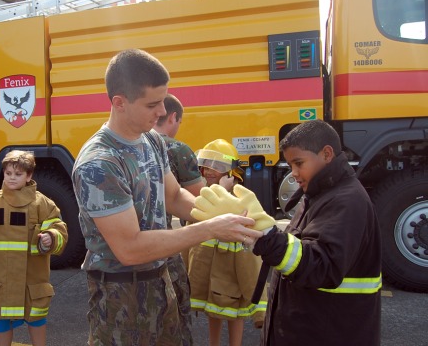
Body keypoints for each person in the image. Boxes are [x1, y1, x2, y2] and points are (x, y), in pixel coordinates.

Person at [71, 48, 262, 345]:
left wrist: (228, 217)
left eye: (163, 99)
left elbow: (174, 197)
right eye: (153, 104)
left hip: (162, 282)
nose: (162, 111)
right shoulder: (100, 163)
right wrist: (211, 228)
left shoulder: (151, 139)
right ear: (119, 103)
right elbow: (130, 248)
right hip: (121, 298)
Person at [195, 120, 382, 346]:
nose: (293, 173)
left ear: (327, 154)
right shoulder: (320, 194)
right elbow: (298, 255)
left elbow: (321, 267)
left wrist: (264, 233)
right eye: (290, 165)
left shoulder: (347, 201)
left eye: (299, 163)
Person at [0, 150, 68, 346]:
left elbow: (59, 228)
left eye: (18, 174)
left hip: (32, 281)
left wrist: (51, 237)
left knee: (36, 321)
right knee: (2, 323)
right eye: (8, 173)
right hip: (0, 280)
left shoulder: (42, 204)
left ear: (29, 176)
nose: (12, 178)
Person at [188, 139, 266, 346]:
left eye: (217, 167)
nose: (209, 171)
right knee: (213, 309)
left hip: (235, 269)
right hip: (213, 268)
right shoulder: (203, 197)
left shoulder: (240, 198)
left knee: (236, 311)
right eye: (206, 166)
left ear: (232, 172)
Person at [153, 94, 206, 346]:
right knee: (177, 313)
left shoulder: (135, 144)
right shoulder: (176, 148)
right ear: (173, 116)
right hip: (166, 245)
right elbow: (199, 197)